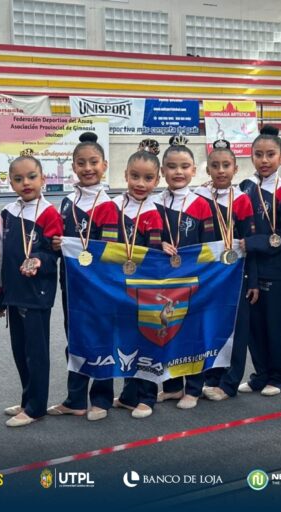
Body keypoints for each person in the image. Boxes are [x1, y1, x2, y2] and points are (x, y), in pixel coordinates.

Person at [48, 132, 119, 422]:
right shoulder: (66, 202)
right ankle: (75, 398)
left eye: (93, 162)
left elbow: (111, 250)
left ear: (104, 166)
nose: (87, 168)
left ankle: (101, 398)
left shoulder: (110, 205)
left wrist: (70, 245)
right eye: (81, 163)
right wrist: (56, 243)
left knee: (102, 337)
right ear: (73, 167)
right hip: (72, 282)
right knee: (75, 337)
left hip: (101, 286)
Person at [0, 155, 63, 427]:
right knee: (20, 351)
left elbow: (54, 254)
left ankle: (36, 407)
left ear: (43, 179)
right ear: (10, 182)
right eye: (19, 179)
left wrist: (38, 261)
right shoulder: (8, 213)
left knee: (36, 352)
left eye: (32, 177)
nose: (26, 183)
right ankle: (27, 399)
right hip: (14, 292)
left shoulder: (49, 213)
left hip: (37, 294)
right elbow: (1, 257)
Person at [153, 136, 214, 410]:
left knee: (192, 334)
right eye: (172, 166)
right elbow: (145, 241)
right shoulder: (154, 203)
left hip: (193, 281)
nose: (178, 172)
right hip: (163, 283)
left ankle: (195, 387)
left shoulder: (201, 204)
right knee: (167, 331)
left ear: (194, 170)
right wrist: (157, 245)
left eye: (184, 166)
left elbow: (211, 245)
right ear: (162, 171)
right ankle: (173, 386)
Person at [194, 140, 258, 401]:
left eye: (226, 165)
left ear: (235, 169)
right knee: (211, 325)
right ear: (207, 170)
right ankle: (211, 376)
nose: (221, 170)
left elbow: (249, 243)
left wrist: (252, 279)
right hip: (207, 275)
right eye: (215, 166)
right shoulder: (198, 197)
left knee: (236, 327)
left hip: (235, 273)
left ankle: (230, 382)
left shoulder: (242, 200)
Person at [238, 125, 281, 398]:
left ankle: (277, 375)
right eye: (259, 154)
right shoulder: (245, 187)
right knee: (254, 325)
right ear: (251, 157)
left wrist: (252, 243)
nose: (264, 160)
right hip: (249, 267)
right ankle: (259, 374)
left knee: (274, 324)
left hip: (275, 268)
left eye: (270, 155)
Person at [112, 149, 164, 419]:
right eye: (135, 177)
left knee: (147, 342)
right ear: (125, 175)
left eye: (147, 178)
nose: (140, 184)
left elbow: (154, 254)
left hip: (146, 288)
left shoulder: (153, 213)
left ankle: (148, 396)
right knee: (127, 342)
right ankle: (128, 395)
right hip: (120, 287)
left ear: (156, 180)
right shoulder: (114, 206)